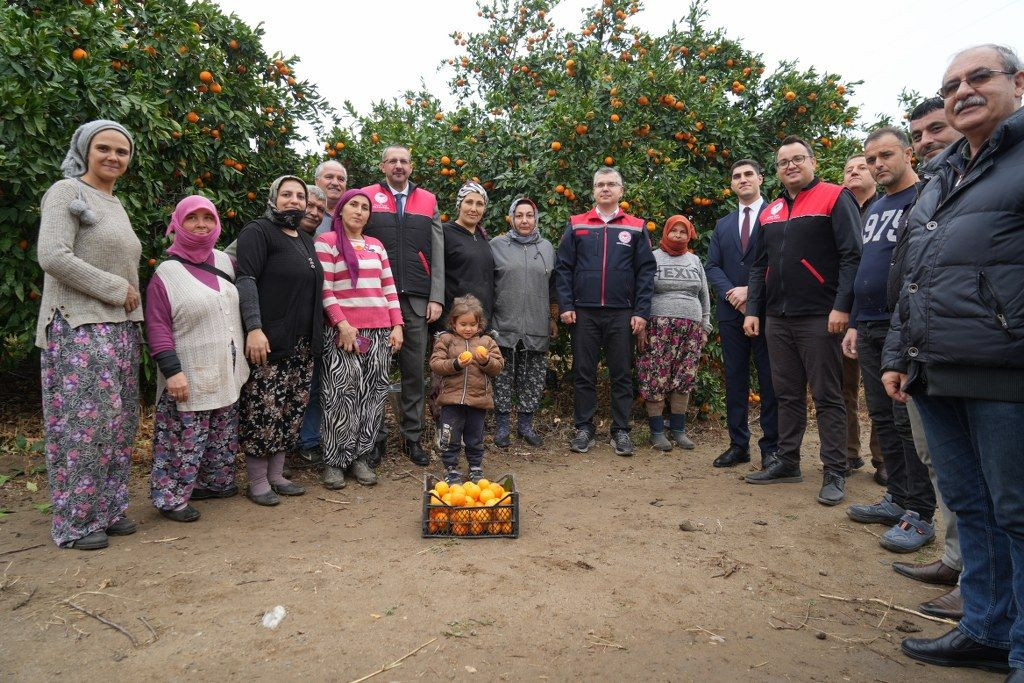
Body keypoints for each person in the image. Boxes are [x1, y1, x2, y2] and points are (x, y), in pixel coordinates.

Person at [882, 44, 1024, 676]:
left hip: (1004, 369)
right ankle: (987, 628)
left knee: (1017, 512)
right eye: (950, 85)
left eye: (978, 78)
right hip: (934, 367)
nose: (962, 91)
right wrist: (898, 351)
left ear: (1017, 83)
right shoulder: (945, 176)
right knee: (971, 504)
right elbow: (913, 274)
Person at [36, 119, 142, 550]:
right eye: (104, 148)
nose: (113, 157)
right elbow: (52, 255)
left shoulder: (115, 203)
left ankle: (110, 509)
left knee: (119, 424)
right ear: (85, 149)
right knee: (85, 425)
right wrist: (116, 290)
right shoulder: (66, 192)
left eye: (122, 151)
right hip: (78, 324)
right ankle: (77, 521)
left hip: (118, 329)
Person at [743, 135, 861, 506]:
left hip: (820, 316)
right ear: (776, 171)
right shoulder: (772, 210)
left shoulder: (834, 196)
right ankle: (787, 461)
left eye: (797, 159)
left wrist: (842, 306)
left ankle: (834, 470)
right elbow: (759, 266)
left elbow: (851, 255)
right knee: (786, 394)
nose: (790, 166)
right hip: (777, 317)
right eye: (783, 162)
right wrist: (753, 311)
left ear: (813, 161)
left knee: (827, 395)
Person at [841, 127, 937, 553]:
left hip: (905, 325)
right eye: (871, 157)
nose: (878, 164)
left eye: (885, 156)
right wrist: (856, 322)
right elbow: (866, 265)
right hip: (871, 324)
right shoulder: (876, 205)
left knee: (906, 422)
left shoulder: (925, 198)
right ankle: (897, 497)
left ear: (908, 154)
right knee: (881, 417)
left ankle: (921, 512)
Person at [889, 95, 965, 619]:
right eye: (919, 134)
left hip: (985, 353)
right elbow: (910, 278)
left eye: (937, 129)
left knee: (1000, 489)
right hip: (926, 347)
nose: (928, 140)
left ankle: (980, 592)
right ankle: (960, 562)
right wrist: (899, 348)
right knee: (949, 465)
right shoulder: (936, 190)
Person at [145, 196, 249, 522]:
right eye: (193, 218)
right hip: (189, 369)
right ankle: (171, 498)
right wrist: (172, 371)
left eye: (208, 217)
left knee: (220, 431)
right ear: (178, 223)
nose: (201, 224)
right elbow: (158, 326)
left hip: (226, 366)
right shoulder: (167, 272)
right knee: (184, 437)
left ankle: (212, 483)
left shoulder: (223, 261)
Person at [555, 167, 657, 456]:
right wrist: (565, 305)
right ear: (593, 190)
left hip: (622, 313)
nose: (606, 189)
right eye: (600, 184)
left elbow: (646, 272)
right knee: (584, 373)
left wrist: (641, 312)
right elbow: (563, 267)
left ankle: (621, 430)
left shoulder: (636, 226)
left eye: (612, 184)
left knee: (622, 373)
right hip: (583, 312)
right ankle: (584, 428)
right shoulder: (576, 224)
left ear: (621, 191)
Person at [235, 176, 324, 506]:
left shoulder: (304, 238)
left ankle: (277, 474)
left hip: (302, 342)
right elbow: (246, 280)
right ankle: (257, 480)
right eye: (286, 194)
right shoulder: (257, 231)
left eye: (299, 196)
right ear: (274, 198)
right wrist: (254, 328)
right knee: (264, 408)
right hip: (269, 340)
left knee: (290, 408)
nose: (294, 201)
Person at [315, 189, 404, 490]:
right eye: (353, 205)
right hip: (345, 333)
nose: (359, 211)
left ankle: (361, 457)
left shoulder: (376, 246)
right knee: (341, 395)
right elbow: (325, 290)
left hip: (379, 331)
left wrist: (397, 326)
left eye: (365, 207)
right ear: (340, 210)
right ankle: (334, 461)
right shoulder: (327, 243)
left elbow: (388, 289)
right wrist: (342, 324)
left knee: (373, 395)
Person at [362, 145, 444, 466]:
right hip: (377, 298)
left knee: (413, 372)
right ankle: (375, 439)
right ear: (383, 166)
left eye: (404, 161)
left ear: (411, 167)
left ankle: (412, 439)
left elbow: (437, 250)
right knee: (376, 372)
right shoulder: (367, 196)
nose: (398, 166)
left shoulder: (428, 200)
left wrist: (436, 296)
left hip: (416, 298)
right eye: (392, 161)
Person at [706, 159, 779, 468]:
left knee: (770, 381)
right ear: (732, 184)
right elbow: (712, 266)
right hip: (731, 311)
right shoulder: (723, 224)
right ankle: (738, 444)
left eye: (749, 174)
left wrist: (751, 291)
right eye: (737, 176)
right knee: (734, 380)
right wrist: (733, 294)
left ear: (760, 178)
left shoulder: (776, 215)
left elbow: (781, 260)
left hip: (767, 310)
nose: (743, 179)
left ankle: (771, 448)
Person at [636, 216, 711, 451]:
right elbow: (642, 291)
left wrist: (705, 326)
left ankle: (679, 430)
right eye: (674, 231)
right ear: (666, 232)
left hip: (691, 328)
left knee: (684, 378)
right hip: (658, 327)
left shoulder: (695, 260)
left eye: (683, 231)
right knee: (655, 377)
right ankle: (657, 433)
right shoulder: (653, 257)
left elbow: (704, 295)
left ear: (689, 235)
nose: (678, 235)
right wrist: (642, 327)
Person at [489, 197, 557, 447]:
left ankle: (526, 426)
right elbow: (488, 284)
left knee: (533, 377)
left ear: (536, 218)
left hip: (537, 324)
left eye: (529, 215)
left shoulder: (547, 248)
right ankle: (503, 426)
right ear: (511, 218)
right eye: (519, 215)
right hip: (503, 322)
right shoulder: (496, 245)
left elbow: (554, 287)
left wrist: (552, 316)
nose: (524, 220)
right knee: (502, 376)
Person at [429, 295, 504, 484]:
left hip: (478, 401)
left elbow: (498, 366)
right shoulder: (446, 340)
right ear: (454, 324)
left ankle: (476, 467)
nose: (468, 328)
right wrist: (456, 363)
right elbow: (436, 364)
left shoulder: (486, 342)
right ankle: (451, 468)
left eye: (473, 324)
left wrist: (486, 361)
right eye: (463, 324)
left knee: (475, 437)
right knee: (449, 437)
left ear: (479, 324)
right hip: (451, 401)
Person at [841, 154, 883, 481]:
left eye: (861, 167)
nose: (854, 172)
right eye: (848, 169)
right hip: (842, 310)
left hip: (876, 311)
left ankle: (884, 461)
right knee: (843, 386)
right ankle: (847, 452)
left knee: (881, 388)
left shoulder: (884, 208)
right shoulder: (838, 210)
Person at [292, 184, 329, 470]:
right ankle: (280, 449)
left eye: (320, 209)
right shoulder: (268, 232)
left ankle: (307, 442)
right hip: (280, 329)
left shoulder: (315, 241)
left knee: (313, 387)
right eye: (311, 206)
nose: (315, 213)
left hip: (313, 327)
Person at [439, 182, 495, 324]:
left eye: (479, 204)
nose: (473, 209)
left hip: (481, 321)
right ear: (459, 204)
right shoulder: (444, 232)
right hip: (454, 322)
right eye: (469, 202)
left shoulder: (483, 237)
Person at [313, 160, 348, 235]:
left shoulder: (353, 214)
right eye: (329, 177)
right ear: (317, 182)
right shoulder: (304, 212)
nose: (335, 183)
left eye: (341, 179)